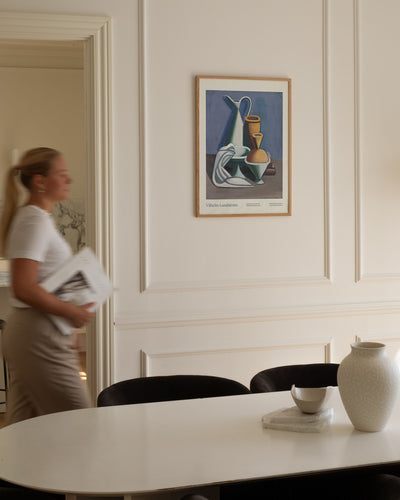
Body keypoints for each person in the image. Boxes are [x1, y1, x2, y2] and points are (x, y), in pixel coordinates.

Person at [0, 147, 94, 425]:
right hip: (39, 337)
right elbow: (23, 287)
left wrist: (67, 326)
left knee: (24, 429)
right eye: (62, 175)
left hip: (36, 334)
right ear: (40, 181)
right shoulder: (33, 221)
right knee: (81, 424)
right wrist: (71, 314)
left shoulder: (37, 219)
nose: (69, 180)